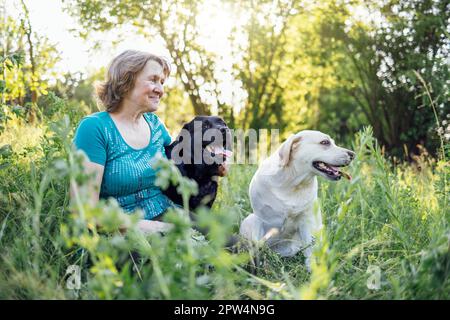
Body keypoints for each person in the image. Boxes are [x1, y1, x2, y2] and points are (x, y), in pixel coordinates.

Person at [72, 50, 190, 234]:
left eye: (162, 82)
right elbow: (84, 210)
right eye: (153, 79)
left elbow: (183, 163)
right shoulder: (95, 128)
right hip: (119, 233)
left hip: (168, 215)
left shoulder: (155, 125)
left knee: (237, 248)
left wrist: (216, 161)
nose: (160, 89)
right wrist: (155, 227)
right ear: (126, 81)